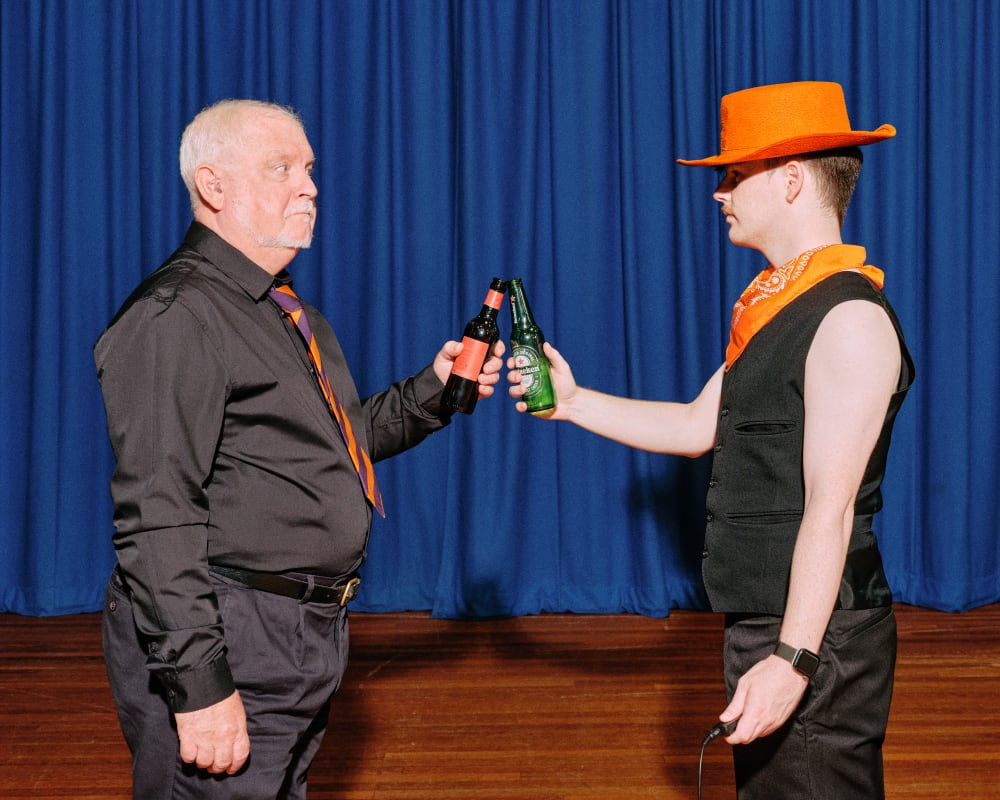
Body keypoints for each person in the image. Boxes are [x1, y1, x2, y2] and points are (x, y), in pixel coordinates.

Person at [508, 81, 914, 798]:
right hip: (770, 619)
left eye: (734, 174)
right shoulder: (779, 307)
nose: (719, 193)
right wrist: (570, 402)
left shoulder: (848, 319)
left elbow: (831, 510)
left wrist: (793, 659)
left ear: (791, 180)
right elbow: (698, 427)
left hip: (815, 631)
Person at [94, 99, 504, 799]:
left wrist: (434, 391)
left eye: (309, 169)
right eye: (281, 168)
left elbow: (333, 444)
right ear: (213, 187)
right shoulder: (176, 315)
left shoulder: (284, 311)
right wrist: (200, 686)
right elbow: (157, 516)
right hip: (231, 629)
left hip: (302, 633)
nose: (310, 187)